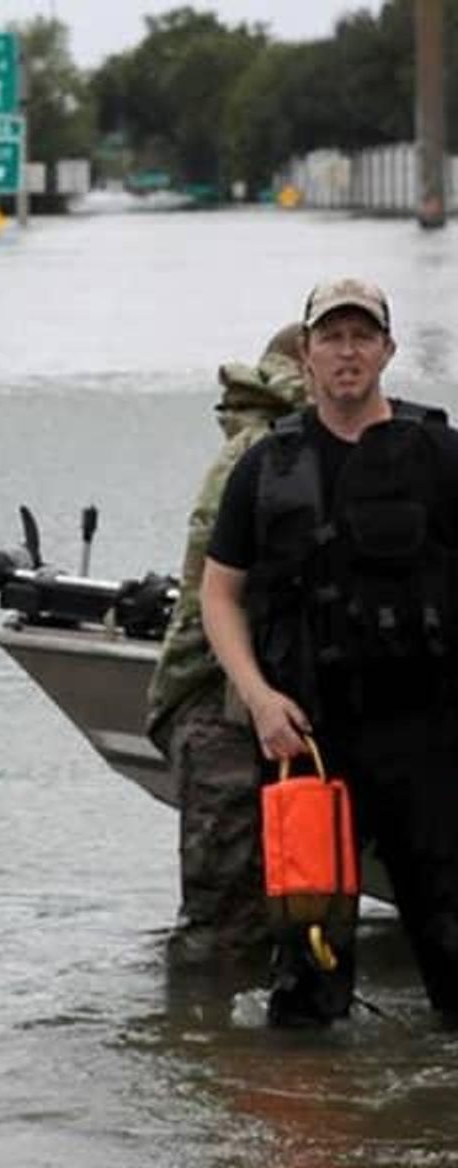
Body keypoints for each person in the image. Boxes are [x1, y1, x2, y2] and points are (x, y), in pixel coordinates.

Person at [202, 276, 458, 1028]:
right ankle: (310, 1092)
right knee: (308, 955)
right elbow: (219, 596)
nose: (348, 353)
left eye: (362, 337)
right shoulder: (265, 466)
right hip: (308, 739)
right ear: (307, 354)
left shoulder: (442, 455)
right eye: (332, 338)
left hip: (429, 735)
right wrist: (258, 699)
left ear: (387, 350)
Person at [146, 324, 308, 959]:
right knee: (224, 923)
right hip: (220, 707)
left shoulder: (281, 447)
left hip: (254, 703)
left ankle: (222, 1018)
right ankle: (207, 1014)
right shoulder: (260, 455)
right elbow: (217, 598)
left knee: (289, 905)